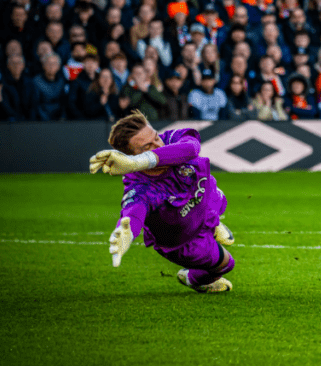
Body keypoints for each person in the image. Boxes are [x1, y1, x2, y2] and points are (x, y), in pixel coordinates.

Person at [88, 111, 235, 293]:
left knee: (215, 194)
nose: (158, 144)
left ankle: (213, 224)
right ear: (129, 157)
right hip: (185, 240)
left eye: (156, 136)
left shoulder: (168, 140)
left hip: (202, 201)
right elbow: (133, 211)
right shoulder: (141, 188)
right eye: (147, 147)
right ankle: (191, 279)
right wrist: (127, 231)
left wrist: (141, 160)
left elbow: (191, 148)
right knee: (226, 265)